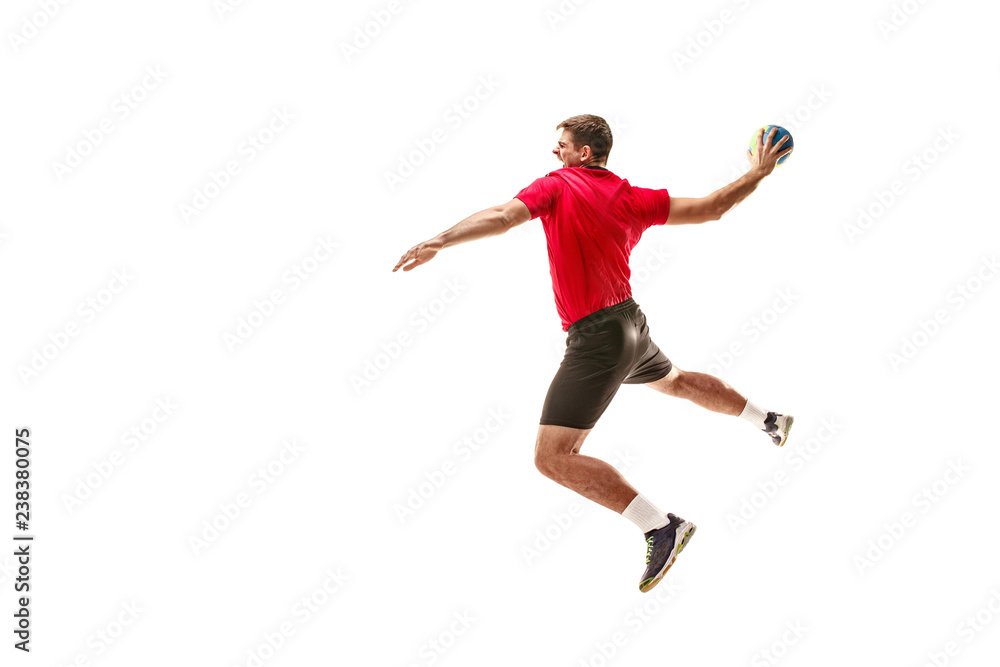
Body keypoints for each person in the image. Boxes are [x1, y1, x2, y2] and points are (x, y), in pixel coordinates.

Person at [392, 114, 794, 593]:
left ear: (583, 152)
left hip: (598, 338)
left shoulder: (558, 185)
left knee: (553, 456)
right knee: (677, 382)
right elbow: (711, 208)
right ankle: (769, 419)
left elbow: (502, 217)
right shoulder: (631, 197)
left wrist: (440, 238)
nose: (555, 152)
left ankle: (659, 525)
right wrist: (757, 173)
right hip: (628, 323)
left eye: (561, 145)